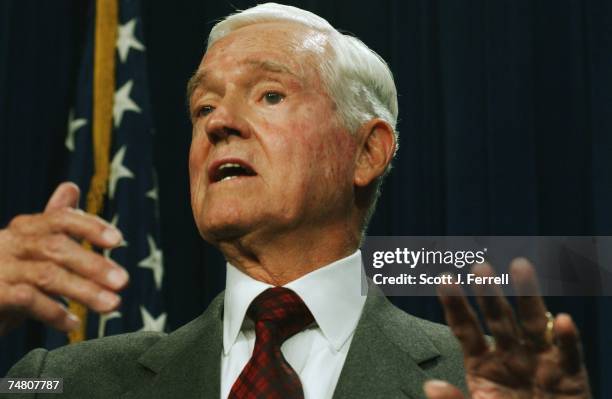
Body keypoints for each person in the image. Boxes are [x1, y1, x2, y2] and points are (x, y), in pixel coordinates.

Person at [0, 3, 591, 398]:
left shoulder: (477, 382)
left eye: (270, 94)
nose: (219, 123)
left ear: (367, 152)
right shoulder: (60, 382)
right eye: (202, 107)